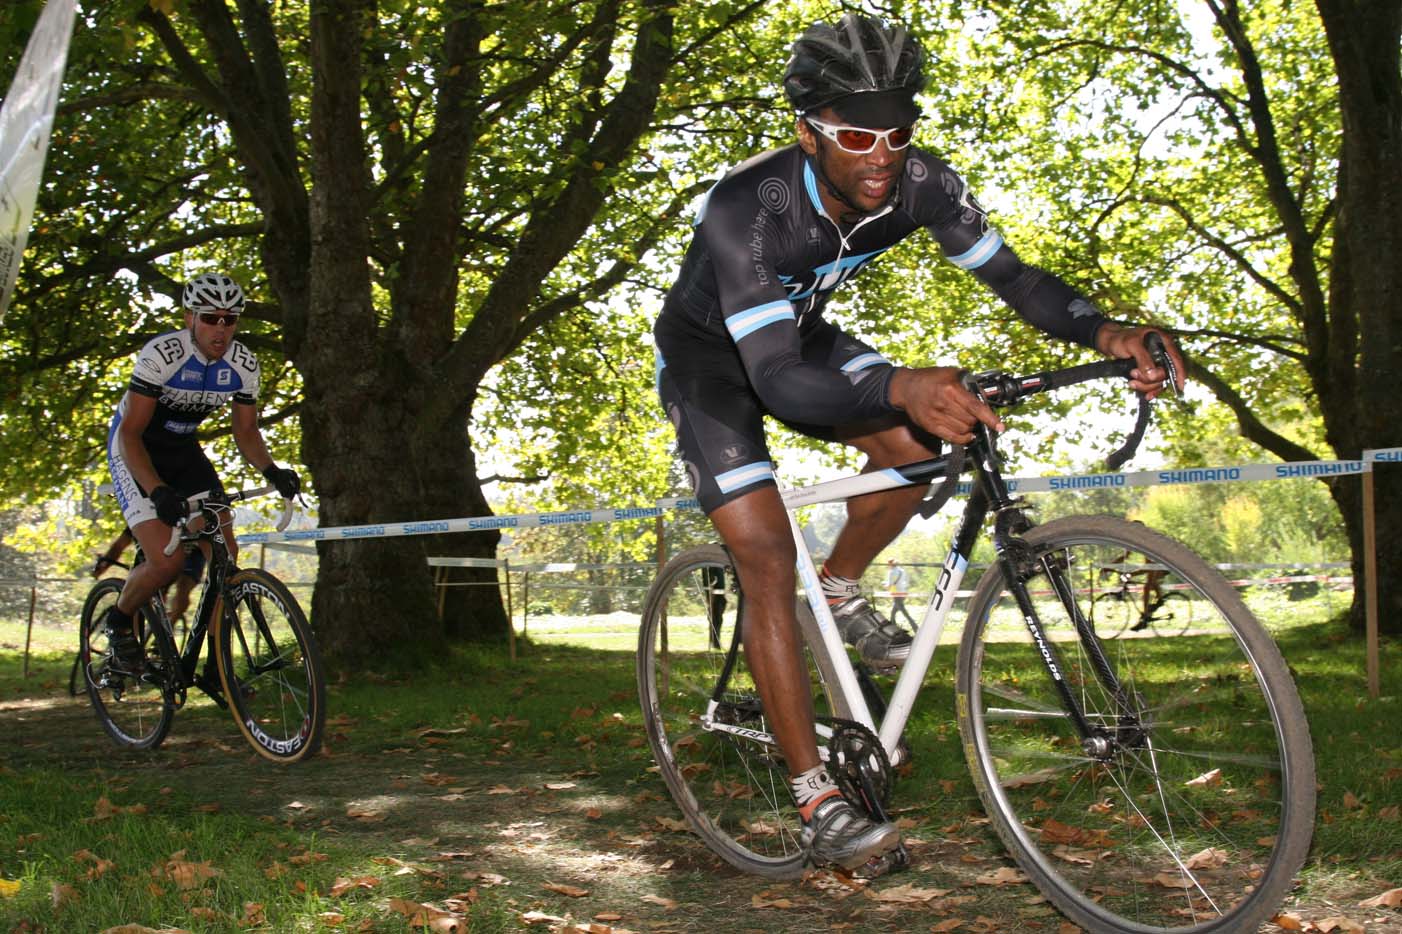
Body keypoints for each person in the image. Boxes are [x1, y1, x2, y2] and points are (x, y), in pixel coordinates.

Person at [652, 13, 1185, 872]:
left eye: (897, 132)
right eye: (856, 133)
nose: (880, 154)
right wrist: (900, 383)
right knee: (762, 552)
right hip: (716, 361)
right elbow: (777, 381)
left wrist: (1104, 330)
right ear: (807, 132)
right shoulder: (749, 207)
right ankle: (815, 798)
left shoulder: (922, 184)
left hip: (800, 335)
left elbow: (1014, 279)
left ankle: (843, 584)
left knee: (922, 453)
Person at [99, 272, 301, 672]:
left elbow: (245, 430)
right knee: (167, 563)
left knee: (225, 552)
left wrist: (271, 470)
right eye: (211, 318)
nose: (221, 327)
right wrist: (156, 490)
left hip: (184, 453)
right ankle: (119, 621)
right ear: (190, 317)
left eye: (230, 319)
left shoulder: (243, 364)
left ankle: (215, 663)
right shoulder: (162, 354)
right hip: (135, 450)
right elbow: (132, 432)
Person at [92, 527, 207, 626]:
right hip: (162, 544)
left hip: (194, 552)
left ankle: (167, 629)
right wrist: (105, 564)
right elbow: (121, 544)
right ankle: (129, 632)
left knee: (183, 588)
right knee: (147, 590)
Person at [884, 558, 914, 627]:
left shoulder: (891, 572)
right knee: (893, 612)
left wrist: (885, 585)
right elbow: (906, 581)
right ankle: (892, 624)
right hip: (903, 592)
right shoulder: (902, 571)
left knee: (904, 612)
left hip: (896, 593)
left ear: (891, 564)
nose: (888, 566)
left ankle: (914, 626)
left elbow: (889, 584)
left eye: (888, 564)